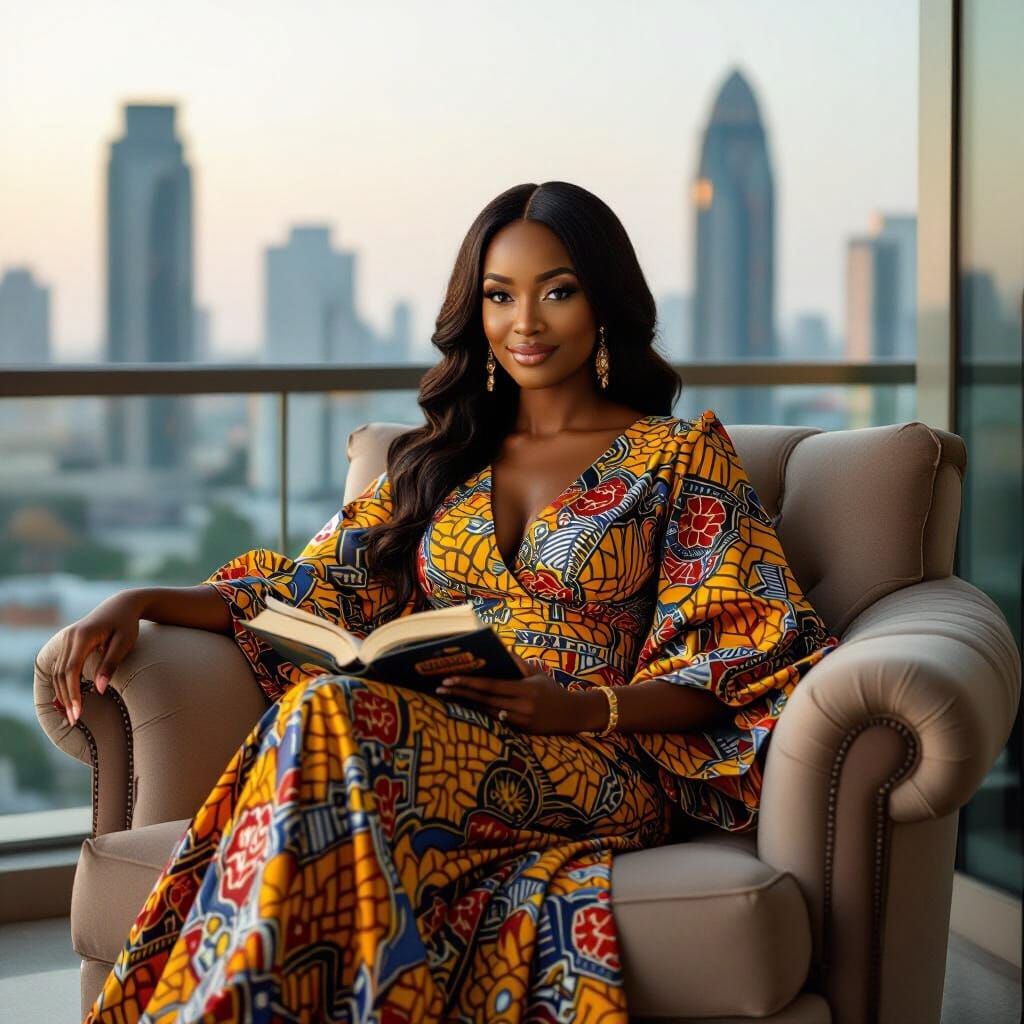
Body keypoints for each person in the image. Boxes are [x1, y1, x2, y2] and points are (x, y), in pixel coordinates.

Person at [55, 180, 840, 1023]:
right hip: (422, 736)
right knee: (327, 712)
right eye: (500, 295)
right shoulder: (441, 456)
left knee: (328, 723)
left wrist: (577, 710)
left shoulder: (680, 456)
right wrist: (139, 600)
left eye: (558, 291)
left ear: (606, 301)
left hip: (600, 760)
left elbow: (745, 656)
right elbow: (307, 594)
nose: (525, 323)